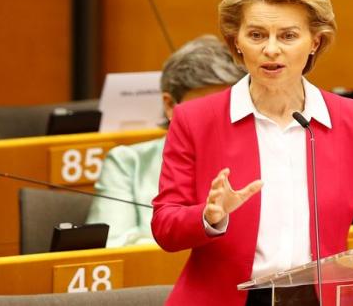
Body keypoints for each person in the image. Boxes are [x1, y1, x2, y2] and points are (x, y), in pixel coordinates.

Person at [151, 0, 353, 306]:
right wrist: (208, 217)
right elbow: (165, 225)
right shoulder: (196, 119)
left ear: (315, 42)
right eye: (257, 35)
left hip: (322, 298)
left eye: (288, 36)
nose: (271, 50)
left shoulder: (352, 119)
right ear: (237, 41)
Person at [85, 35, 246, 247]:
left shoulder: (260, 152)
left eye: (228, 106)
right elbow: (113, 244)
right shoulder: (128, 163)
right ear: (170, 105)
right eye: (205, 108)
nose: (219, 119)